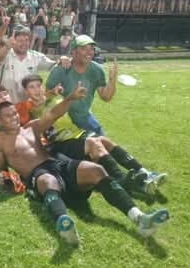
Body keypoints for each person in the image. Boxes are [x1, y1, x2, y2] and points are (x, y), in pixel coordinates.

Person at [0, 93, 170, 245]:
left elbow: (52, 114)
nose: (14, 117)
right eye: (8, 116)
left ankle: (140, 219)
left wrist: (70, 98)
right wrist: (4, 178)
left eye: (14, 113)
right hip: (38, 174)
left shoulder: (31, 127)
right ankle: (64, 225)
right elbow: (1, 168)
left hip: (57, 163)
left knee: (96, 170)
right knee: (48, 181)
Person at [20, 74, 167, 195]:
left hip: (77, 135)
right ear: (26, 92)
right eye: (31, 87)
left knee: (104, 140)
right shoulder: (27, 110)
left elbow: (50, 99)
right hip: (59, 144)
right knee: (94, 143)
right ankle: (122, 180)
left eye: (38, 86)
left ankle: (144, 173)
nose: (36, 90)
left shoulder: (55, 99)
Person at [46, 35, 116, 136]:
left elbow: (106, 97)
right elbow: (44, 98)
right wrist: (53, 92)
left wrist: (112, 79)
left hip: (85, 117)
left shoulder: (96, 70)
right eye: (84, 49)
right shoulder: (60, 70)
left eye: (91, 49)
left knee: (105, 144)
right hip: (62, 120)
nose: (89, 52)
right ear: (73, 52)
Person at [0, 26, 67, 103]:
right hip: (4, 105)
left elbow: (54, 66)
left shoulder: (35, 56)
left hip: (27, 107)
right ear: (13, 42)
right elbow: (0, 56)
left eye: (26, 40)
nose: (24, 43)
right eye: (20, 40)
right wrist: (7, 46)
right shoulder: (7, 54)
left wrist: (62, 60)